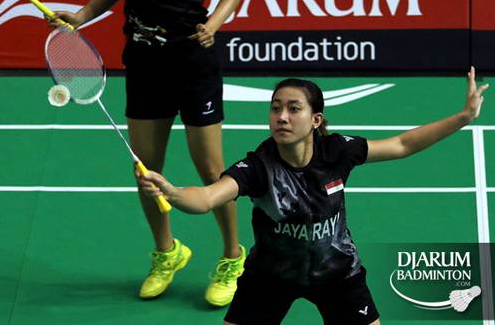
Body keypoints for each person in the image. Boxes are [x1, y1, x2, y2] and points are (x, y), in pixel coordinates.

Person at [137, 67, 489, 324]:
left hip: (337, 274)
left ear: (316, 119)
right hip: (271, 276)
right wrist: (174, 193)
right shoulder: (258, 166)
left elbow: (401, 144)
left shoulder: (337, 151)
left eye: (294, 109)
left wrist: (462, 117)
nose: (282, 117)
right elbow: (208, 198)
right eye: (276, 108)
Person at [53, 0, 244, 306]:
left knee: (211, 170)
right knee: (145, 170)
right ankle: (166, 252)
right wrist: (80, 17)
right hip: (144, 64)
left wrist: (214, 24)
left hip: (193, 64)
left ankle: (233, 257)